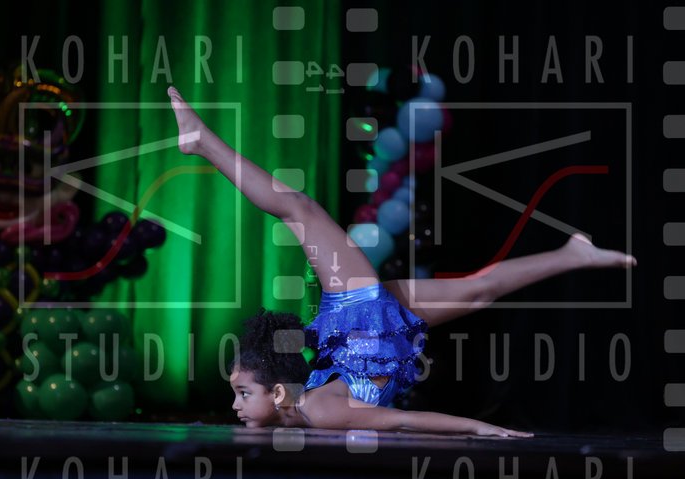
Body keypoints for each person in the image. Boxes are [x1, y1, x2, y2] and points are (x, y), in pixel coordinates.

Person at [167, 86, 636, 437]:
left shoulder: (316, 410)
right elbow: (402, 420)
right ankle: (572, 254)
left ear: (277, 393)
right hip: (373, 332)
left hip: (360, 319)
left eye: (242, 394)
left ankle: (203, 141)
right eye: (238, 394)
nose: (234, 406)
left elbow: (399, 419)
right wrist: (477, 427)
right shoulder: (317, 413)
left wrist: (477, 427)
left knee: (300, 210)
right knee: (478, 292)